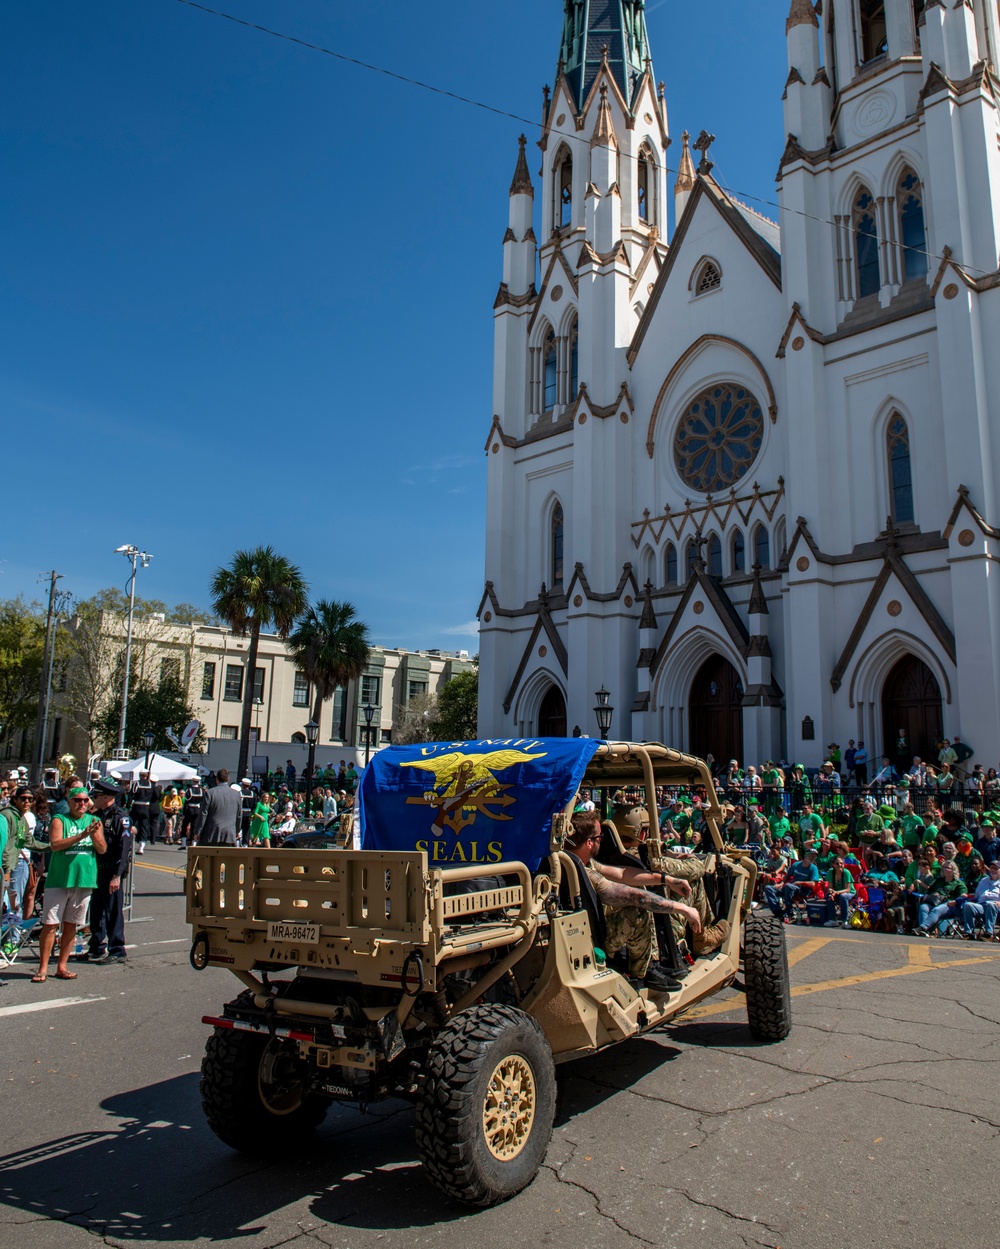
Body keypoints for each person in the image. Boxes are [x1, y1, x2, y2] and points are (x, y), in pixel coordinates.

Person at [566, 813, 702, 992]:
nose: (602, 841)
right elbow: (633, 897)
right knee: (637, 910)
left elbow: (622, 873)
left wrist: (665, 879)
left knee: (641, 896)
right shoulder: (582, 871)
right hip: (593, 938)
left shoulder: (579, 861)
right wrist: (683, 908)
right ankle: (642, 973)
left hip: (590, 930)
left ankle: (651, 963)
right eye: (600, 837)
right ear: (589, 842)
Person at [33, 786, 107, 983]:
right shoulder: (60, 819)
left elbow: (101, 849)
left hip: (83, 879)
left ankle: (62, 966)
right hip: (59, 879)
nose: (81, 804)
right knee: (50, 924)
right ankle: (42, 968)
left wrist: (93, 835)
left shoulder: (94, 821)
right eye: (77, 800)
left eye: (84, 800)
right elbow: (55, 845)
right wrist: (82, 836)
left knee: (71, 925)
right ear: (69, 801)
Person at [82, 777, 132, 963]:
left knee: (113, 911)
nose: (93, 798)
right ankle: (96, 946)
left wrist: (117, 875)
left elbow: (123, 847)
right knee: (96, 911)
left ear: (106, 797)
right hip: (97, 870)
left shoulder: (120, 817)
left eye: (96, 795)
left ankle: (117, 949)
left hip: (111, 870)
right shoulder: (99, 816)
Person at [195, 769, 243, 846]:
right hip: (229, 834)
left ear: (217, 779)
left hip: (211, 834)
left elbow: (203, 814)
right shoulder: (236, 794)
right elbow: (239, 815)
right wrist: (237, 831)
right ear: (228, 779)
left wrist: (197, 831)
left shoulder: (210, 793)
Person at [962, 860, 1000, 939]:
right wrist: (967, 896)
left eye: (996, 868)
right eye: (992, 868)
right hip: (982, 905)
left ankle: (989, 934)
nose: (993, 870)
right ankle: (969, 933)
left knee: (990, 904)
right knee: (968, 905)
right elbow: (976, 896)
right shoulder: (983, 881)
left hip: (996, 907)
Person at [128, 770, 158, 854]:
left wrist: (128, 806)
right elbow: (156, 796)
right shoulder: (151, 785)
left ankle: (129, 843)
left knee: (130, 824)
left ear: (140, 775)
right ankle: (141, 847)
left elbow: (131, 795)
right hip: (146, 807)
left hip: (136, 807)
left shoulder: (136, 784)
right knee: (144, 827)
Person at [825, 855, 856, 926]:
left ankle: (845, 920)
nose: (839, 865)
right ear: (833, 865)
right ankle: (833, 919)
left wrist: (836, 892)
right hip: (837, 893)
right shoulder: (831, 872)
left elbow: (848, 889)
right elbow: (830, 887)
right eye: (837, 863)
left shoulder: (846, 872)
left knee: (843, 896)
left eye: (841, 863)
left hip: (849, 893)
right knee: (828, 896)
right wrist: (831, 892)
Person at [180, 778, 204, 848]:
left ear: (193, 781)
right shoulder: (201, 791)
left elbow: (186, 803)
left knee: (184, 826)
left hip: (189, 810)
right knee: (194, 827)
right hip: (197, 810)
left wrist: (184, 813)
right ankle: (193, 844)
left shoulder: (189, 790)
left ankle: (183, 844)